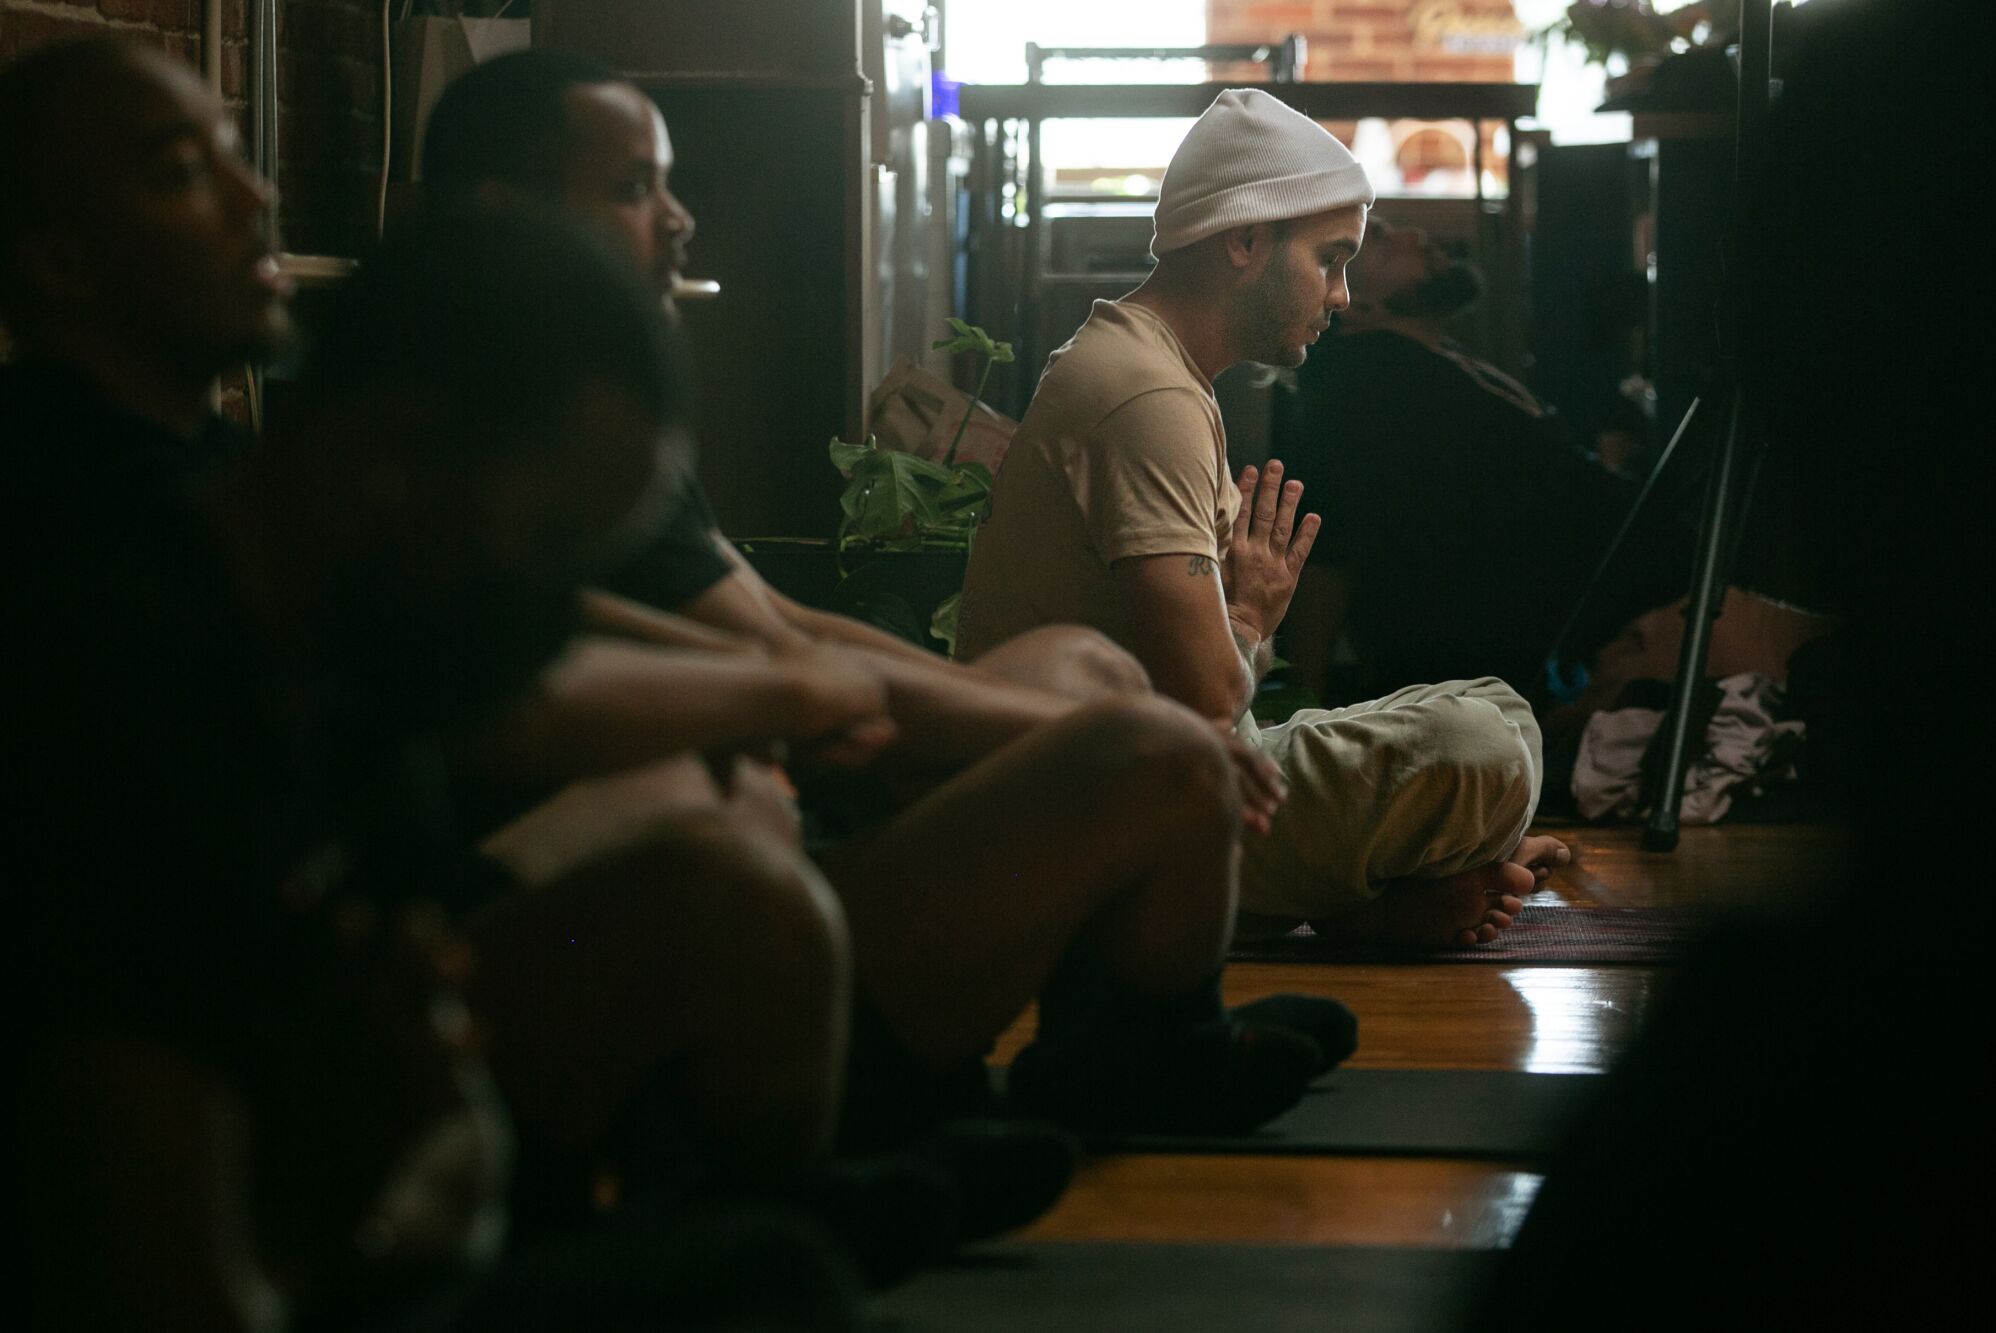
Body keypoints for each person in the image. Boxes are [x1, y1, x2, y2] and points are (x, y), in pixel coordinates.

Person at [0, 40, 862, 1326]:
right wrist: (387, 1186)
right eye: (524, 552)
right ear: (399, 462)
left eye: (242, 154)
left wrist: (429, 1126)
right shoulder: (111, 650)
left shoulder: (279, 573)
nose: (258, 202)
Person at [420, 52, 1359, 1142]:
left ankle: (1128, 1039)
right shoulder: (459, 438)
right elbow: (758, 673)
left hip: (778, 807)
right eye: (633, 190)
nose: (680, 222)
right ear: (502, 218)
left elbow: (775, 631)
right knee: (1168, 744)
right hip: (681, 889)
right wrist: (1110, 723)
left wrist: (1071, 712)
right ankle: (957, 1088)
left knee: (1089, 669)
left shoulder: (592, 415)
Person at [957, 90, 1569, 947]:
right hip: (1113, 812)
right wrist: (1248, 614)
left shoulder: (1156, 371)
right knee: (1480, 750)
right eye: (1330, 258)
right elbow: (1208, 700)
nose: (1345, 296)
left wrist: (1245, 621)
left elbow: (1220, 691)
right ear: (1244, 239)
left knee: (1502, 712)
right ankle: (1364, 894)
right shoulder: (1145, 394)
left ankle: (1384, 884)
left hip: (1179, 775)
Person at [1270, 216, 1664, 706]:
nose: (1416, 234)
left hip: (1605, 632)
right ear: (1355, 304)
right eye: (1383, 241)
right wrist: (1297, 709)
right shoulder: (1368, 396)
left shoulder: (1428, 359)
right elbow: (1328, 557)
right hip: (1521, 686)